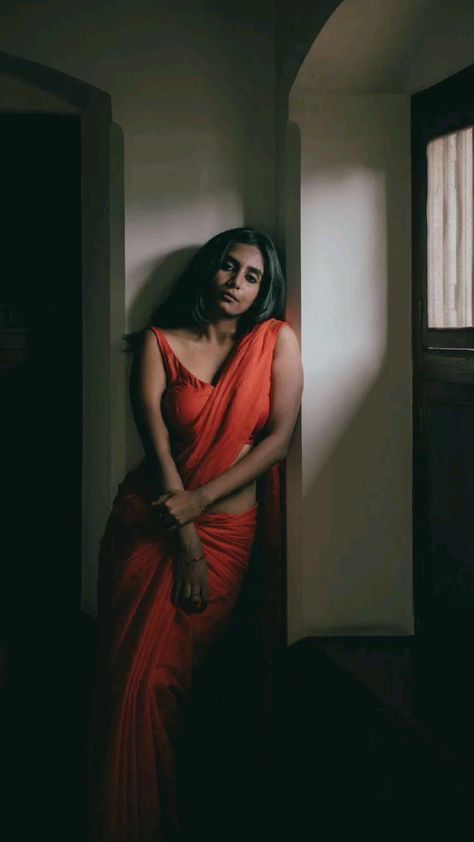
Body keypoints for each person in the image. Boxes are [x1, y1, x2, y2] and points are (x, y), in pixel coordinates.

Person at [86, 227, 303, 841]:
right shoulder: (159, 343)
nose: (236, 283)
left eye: (252, 276)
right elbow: (158, 454)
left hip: (228, 532)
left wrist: (200, 507)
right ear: (210, 271)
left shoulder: (273, 342)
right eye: (229, 268)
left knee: (172, 683)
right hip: (151, 529)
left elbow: (279, 441)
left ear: (264, 288)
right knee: (135, 683)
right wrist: (185, 541)